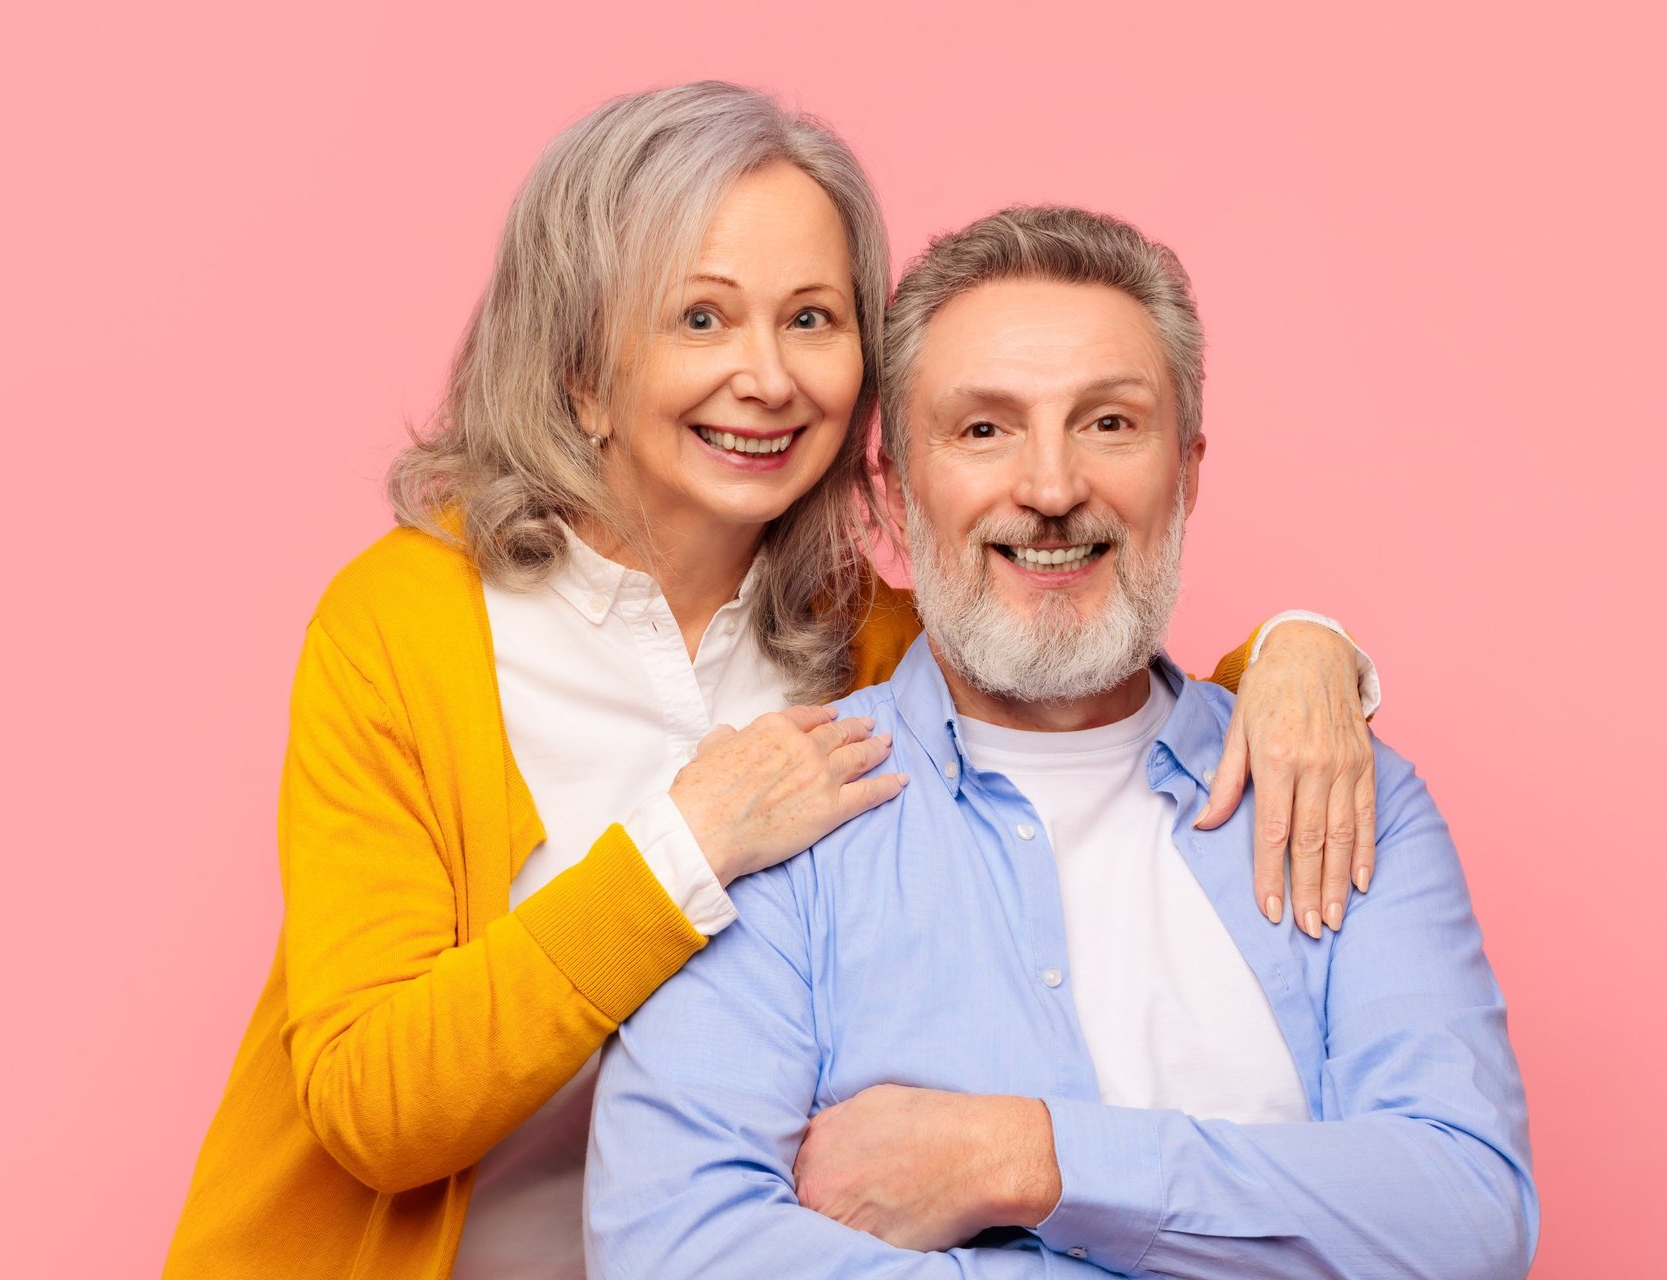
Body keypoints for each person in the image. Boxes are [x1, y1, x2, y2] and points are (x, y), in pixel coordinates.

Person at [165, 85, 1382, 1279]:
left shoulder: (879, 642)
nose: (769, 377)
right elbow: (376, 1106)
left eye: (811, 318)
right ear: (580, 369)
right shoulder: (410, 622)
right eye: (701, 318)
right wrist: (684, 848)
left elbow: (1092, 698)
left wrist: (1299, 650)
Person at [586, 206, 1536, 1279]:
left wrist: (1023, 1156)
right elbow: (675, 1249)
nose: (1049, 489)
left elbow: (1467, 1220)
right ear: (895, 487)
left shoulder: (1346, 800)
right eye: (983, 430)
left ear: (1187, 470)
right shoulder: (774, 824)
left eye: (1109, 423)